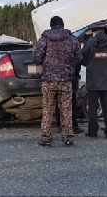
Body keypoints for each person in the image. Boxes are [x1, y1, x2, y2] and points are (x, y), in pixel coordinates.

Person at [33, 15, 82, 147]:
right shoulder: (72, 40)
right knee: (66, 109)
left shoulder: (44, 40)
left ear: (51, 25)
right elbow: (78, 58)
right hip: (66, 80)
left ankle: (46, 138)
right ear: (63, 24)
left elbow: (36, 58)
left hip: (48, 80)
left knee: (48, 109)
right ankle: (67, 137)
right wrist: (70, 68)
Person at [81, 24, 107, 139]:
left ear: (94, 32)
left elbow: (82, 60)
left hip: (93, 81)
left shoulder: (89, 44)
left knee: (93, 107)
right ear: (104, 32)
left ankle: (93, 132)